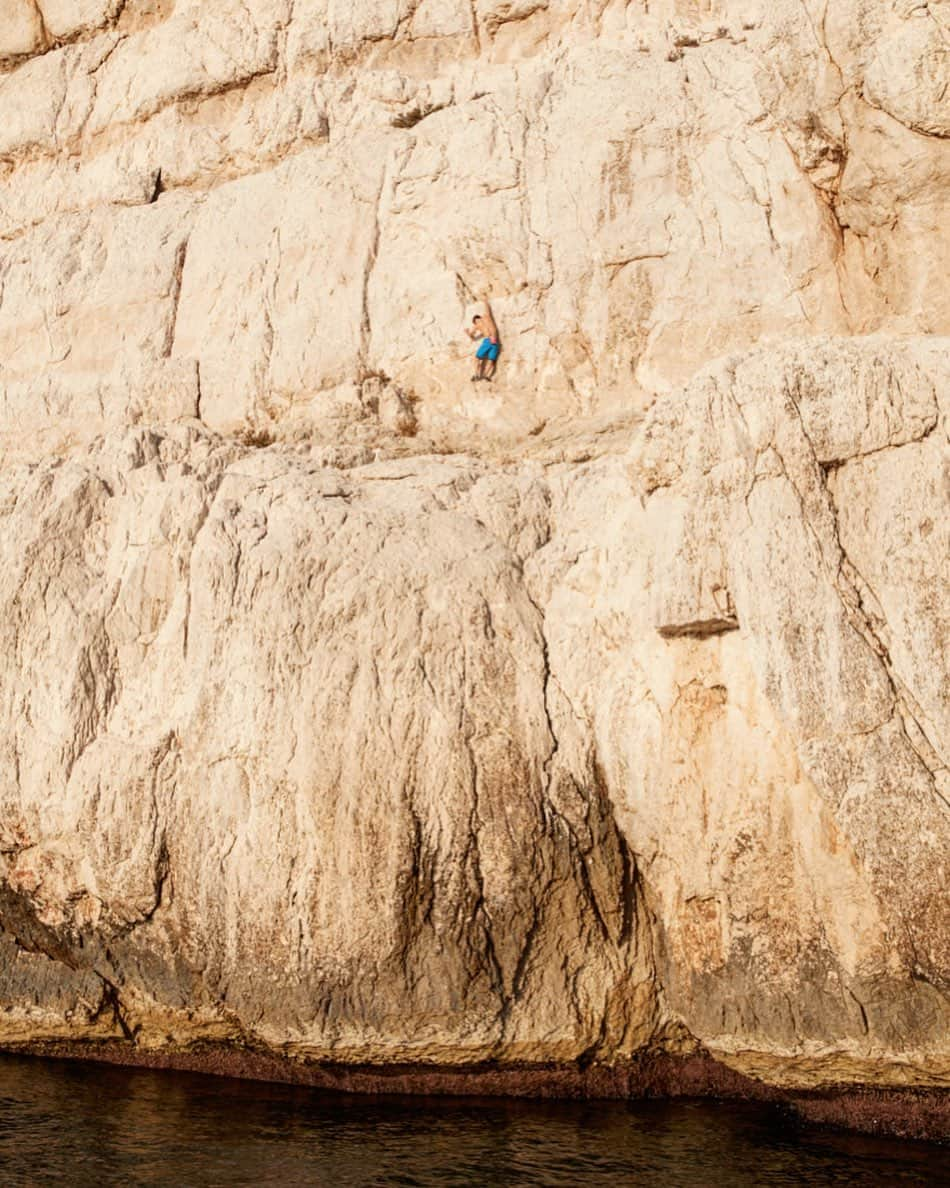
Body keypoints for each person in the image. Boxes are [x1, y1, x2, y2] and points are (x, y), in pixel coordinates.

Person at [467, 309, 501, 382]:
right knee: (491, 360)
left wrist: (467, 333)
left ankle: (476, 375)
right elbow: (488, 311)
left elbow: (472, 336)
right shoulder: (487, 318)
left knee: (476, 358)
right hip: (495, 342)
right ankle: (486, 376)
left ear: (475, 321)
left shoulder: (477, 325)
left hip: (487, 341)